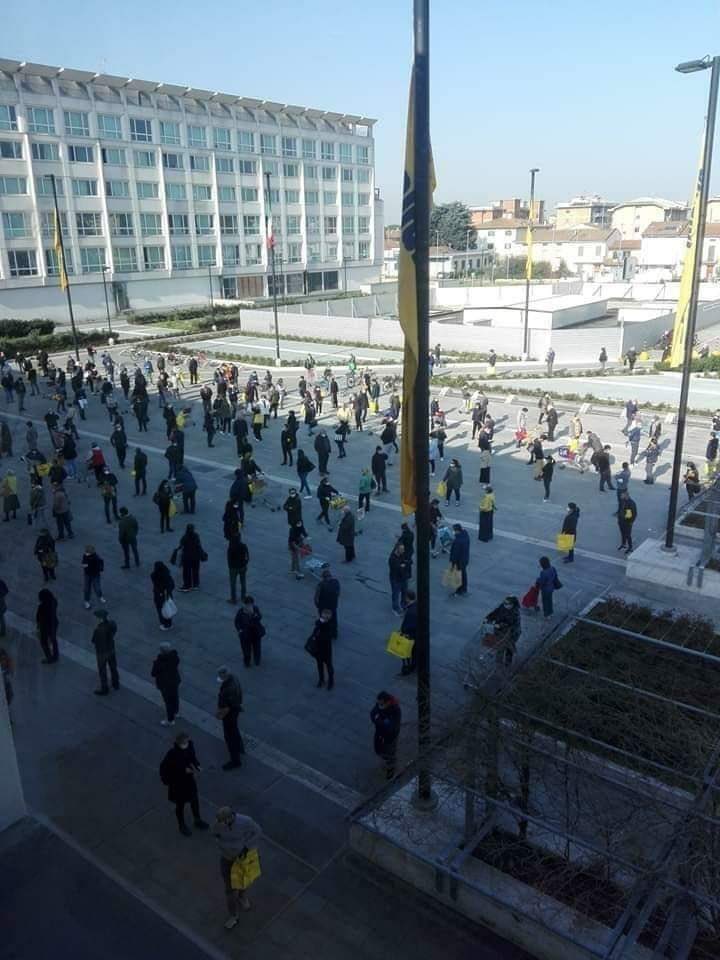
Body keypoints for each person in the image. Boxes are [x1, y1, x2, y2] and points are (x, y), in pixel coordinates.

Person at [214, 806, 262, 927]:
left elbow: (258, 831)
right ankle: (233, 915)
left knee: (243, 881)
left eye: (223, 821)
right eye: (220, 821)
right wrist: (221, 844)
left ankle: (242, 897)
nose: (222, 824)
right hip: (226, 859)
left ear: (231, 817)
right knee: (229, 890)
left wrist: (247, 847)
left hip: (241, 859)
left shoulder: (245, 821)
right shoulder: (218, 824)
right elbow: (215, 834)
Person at [159, 733, 209, 836]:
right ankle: (181, 825)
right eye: (184, 743)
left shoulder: (190, 746)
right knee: (180, 805)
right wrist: (183, 771)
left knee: (194, 800)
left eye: (187, 742)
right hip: (178, 783)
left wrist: (197, 765)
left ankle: (197, 819)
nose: (186, 744)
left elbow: (192, 757)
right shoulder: (172, 754)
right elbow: (165, 768)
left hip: (188, 781)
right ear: (178, 743)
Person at [216, 666, 244, 770]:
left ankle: (235, 761)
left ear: (224, 676)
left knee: (229, 737)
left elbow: (226, 708)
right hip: (236, 709)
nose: (218, 678)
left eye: (219, 676)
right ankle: (240, 747)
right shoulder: (234, 678)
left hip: (229, 714)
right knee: (235, 730)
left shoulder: (227, 689)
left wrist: (219, 715)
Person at [371, 692, 402, 779]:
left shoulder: (395, 710)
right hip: (380, 732)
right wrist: (381, 721)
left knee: (390, 753)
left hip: (390, 736)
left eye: (381, 704)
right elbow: (373, 714)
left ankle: (391, 770)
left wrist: (379, 719)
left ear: (387, 702)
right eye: (378, 703)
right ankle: (385, 760)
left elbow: (391, 727)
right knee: (378, 749)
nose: (379, 705)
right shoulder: (379, 705)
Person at [486, 596, 521, 668]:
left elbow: (510, 623)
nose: (505, 604)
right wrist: (488, 617)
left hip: (512, 633)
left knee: (508, 647)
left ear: (512, 604)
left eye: (507, 603)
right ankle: (498, 663)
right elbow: (495, 612)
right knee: (500, 646)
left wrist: (500, 625)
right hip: (500, 632)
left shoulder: (515, 612)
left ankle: (507, 664)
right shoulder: (502, 607)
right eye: (504, 602)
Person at [152, 641, 181, 724]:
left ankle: (170, 719)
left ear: (161, 651)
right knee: (175, 697)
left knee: (168, 702)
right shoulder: (175, 657)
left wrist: (155, 663)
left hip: (165, 684)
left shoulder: (159, 662)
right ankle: (176, 712)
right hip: (175, 681)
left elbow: (153, 673)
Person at [91, 609, 119, 695]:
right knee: (113, 667)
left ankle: (104, 688)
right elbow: (115, 630)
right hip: (111, 649)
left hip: (102, 653)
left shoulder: (98, 630)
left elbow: (93, 640)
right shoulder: (112, 624)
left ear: (100, 619)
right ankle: (115, 683)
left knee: (102, 670)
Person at [307, 609, 335, 689]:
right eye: (323, 616)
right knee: (319, 665)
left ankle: (331, 681)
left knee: (329, 666)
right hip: (318, 649)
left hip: (326, 650)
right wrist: (321, 622)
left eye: (326, 617)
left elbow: (326, 636)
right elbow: (316, 626)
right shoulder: (319, 623)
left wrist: (322, 624)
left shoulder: (330, 625)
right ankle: (321, 679)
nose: (324, 618)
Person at [235, 597, 264, 668]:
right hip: (245, 634)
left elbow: (259, 617)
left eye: (250, 605)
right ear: (244, 604)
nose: (249, 606)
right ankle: (247, 662)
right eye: (247, 605)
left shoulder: (255, 609)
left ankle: (257, 660)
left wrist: (253, 614)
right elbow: (236, 622)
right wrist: (239, 630)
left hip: (255, 633)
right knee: (246, 649)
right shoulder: (240, 612)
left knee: (257, 648)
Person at [176, 523, 206, 592]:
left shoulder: (185, 537)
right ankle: (196, 584)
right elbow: (199, 546)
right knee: (195, 571)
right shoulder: (196, 536)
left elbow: (181, 544)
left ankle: (187, 585)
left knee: (186, 572)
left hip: (187, 557)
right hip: (196, 557)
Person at [314, 567, 340, 638]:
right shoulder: (336, 582)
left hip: (323, 607)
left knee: (323, 619)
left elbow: (316, 597)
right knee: (334, 619)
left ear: (323, 577)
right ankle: (334, 633)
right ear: (330, 576)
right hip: (333, 606)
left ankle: (324, 632)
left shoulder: (320, 585)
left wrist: (317, 605)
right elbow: (338, 593)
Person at [36, 588, 59, 663]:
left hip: (45, 627)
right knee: (53, 640)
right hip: (54, 624)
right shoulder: (54, 601)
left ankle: (49, 658)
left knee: (44, 642)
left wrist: (38, 626)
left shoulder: (42, 606)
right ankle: (55, 655)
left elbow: (39, 618)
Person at [151, 561, 176, 631]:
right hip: (167, 595)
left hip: (159, 596)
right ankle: (169, 623)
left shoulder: (154, 575)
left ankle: (164, 624)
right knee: (168, 608)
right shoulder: (167, 575)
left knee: (160, 610)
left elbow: (156, 586)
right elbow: (172, 585)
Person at [388, 543, 410, 614]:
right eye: (401, 549)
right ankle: (395, 608)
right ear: (397, 549)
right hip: (396, 579)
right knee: (395, 594)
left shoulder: (402, 554)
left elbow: (408, 562)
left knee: (404, 592)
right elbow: (398, 569)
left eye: (403, 549)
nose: (403, 551)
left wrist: (403, 565)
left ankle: (403, 605)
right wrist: (403, 565)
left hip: (404, 578)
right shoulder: (392, 559)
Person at [82, 546, 105, 610]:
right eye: (86, 551)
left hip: (95, 575)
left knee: (97, 587)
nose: (86, 553)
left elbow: (101, 564)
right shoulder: (85, 556)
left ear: (91, 552)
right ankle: (86, 601)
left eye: (87, 552)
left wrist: (99, 569)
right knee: (87, 589)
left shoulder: (96, 558)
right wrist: (85, 565)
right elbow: (83, 563)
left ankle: (100, 596)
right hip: (87, 574)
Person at [449, 523, 470, 596]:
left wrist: (452, 563)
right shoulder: (465, 535)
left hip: (459, 561)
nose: (453, 532)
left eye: (454, 530)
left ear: (457, 531)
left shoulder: (458, 541)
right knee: (463, 574)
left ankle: (459, 590)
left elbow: (455, 554)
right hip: (465, 559)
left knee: (459, 575)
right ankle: (464, 588)